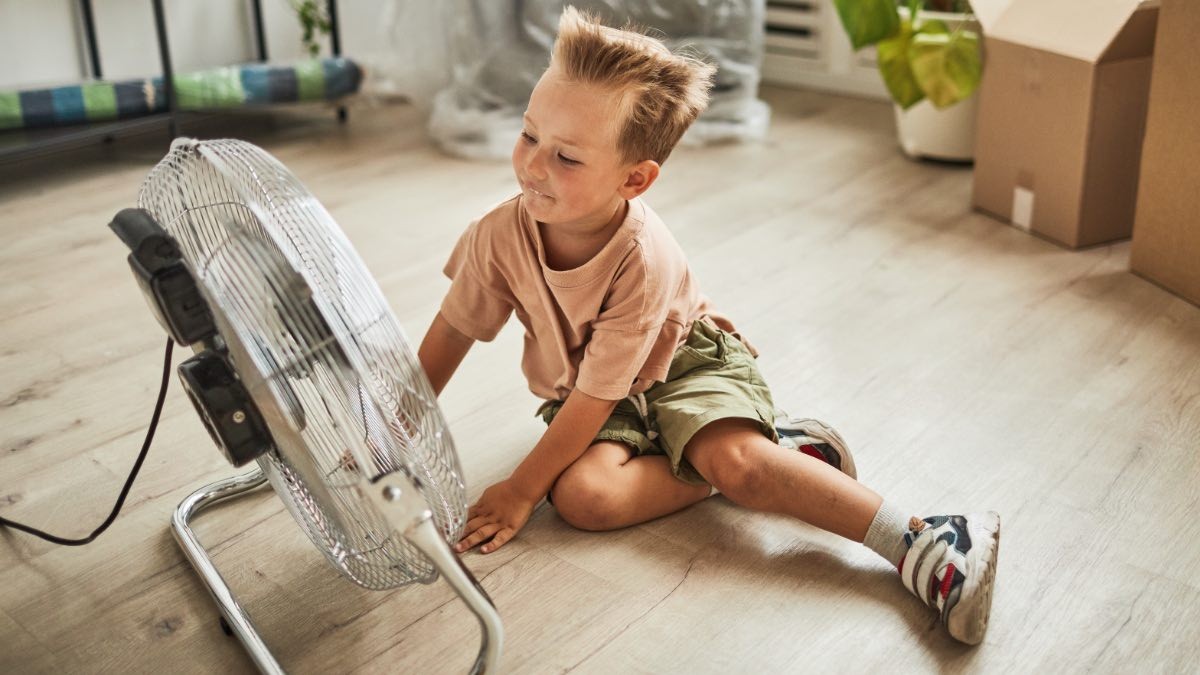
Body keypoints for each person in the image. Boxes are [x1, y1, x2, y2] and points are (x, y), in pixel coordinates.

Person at [416, 6, 1000, 645]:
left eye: (567, 158)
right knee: (585, 500)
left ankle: (926, 541)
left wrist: (522, 489)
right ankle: (787, 452)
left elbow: (597, 398)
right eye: (530, 136)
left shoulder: (643, 259)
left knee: (742, 468)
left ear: (635, 179)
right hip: (594, 387)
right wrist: (390, 424)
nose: (533, 166)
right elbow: (453, 331)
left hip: (684, 364)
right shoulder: (498, 235)